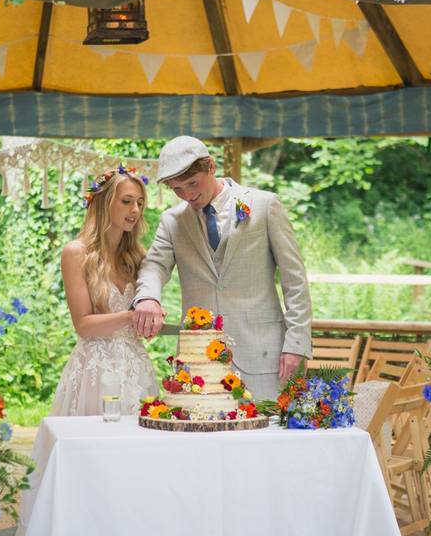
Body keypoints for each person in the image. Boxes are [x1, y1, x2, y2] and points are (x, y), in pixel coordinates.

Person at [132, 136, 312, 402]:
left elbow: (294, 281)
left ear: (211, 167)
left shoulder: (265, 206)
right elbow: (154, 265)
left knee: (265, 440)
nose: (188, 195)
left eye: (192, 184)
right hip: (199, 364)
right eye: (177, 189)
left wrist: (296, 343)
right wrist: (147, 297)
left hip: (264, 356)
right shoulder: (172, 221)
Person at [49, 165, 159, 416]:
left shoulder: (137, 257)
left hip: (135, 369)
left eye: (140, 203)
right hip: (95, 371)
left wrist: (151, 322)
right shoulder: (77, 253)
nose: (135, 210)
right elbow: (84, 325)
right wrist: (133, 317)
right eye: (127, 201)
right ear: (104, 203)